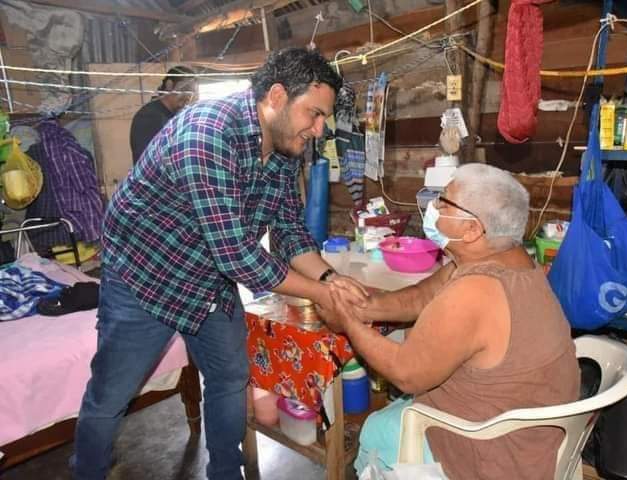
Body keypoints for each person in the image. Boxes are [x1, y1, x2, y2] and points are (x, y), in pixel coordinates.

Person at [72, 47, 367, 480]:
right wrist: (323, 295)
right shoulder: (207, 133)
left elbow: (289, 230)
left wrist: (330, 278)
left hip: (208, 273)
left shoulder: (286, 147)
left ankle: (227, 473)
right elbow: (238, 256)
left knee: (230, 376)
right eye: (315, 114)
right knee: (111, 394)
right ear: (278, 96)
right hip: (145, 273)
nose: (319, 129)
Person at [321, 163, 580, 480]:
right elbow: (419, 296)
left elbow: (405, 373)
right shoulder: (511, 259)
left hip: (497, 454)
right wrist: (364, 307)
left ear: (471, 229)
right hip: (534, 434)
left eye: (443, 201)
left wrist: (349, 321)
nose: (433, 206)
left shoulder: (475, 291)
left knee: (376, 427)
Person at [129, 65, 198, 164]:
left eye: (192, 92)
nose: (188, 96)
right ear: (169, 85)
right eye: (185, 89)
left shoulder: (174, 117)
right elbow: (148, 162)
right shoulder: (149, 117)